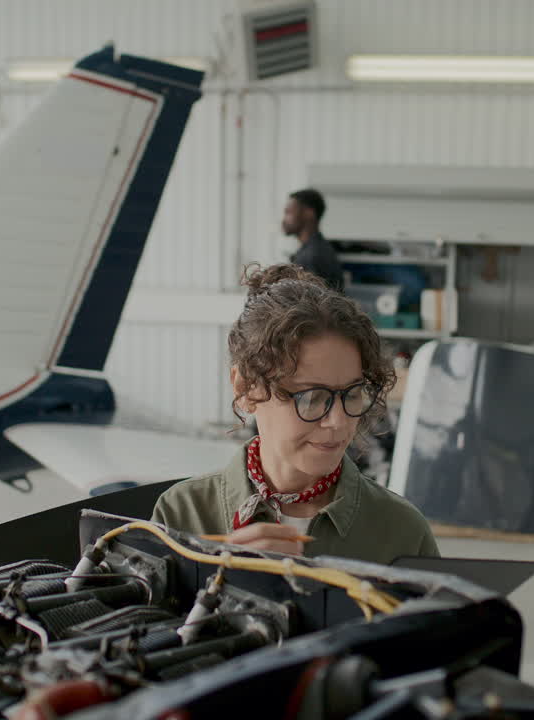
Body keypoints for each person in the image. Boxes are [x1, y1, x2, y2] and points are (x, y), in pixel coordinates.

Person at [151, 263, 438, 565]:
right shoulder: (183, 515)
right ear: (246, 388)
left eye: (352, 394)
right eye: (312, 398)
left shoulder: (403, 532)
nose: (338, 421)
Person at [283, 188, 344, 292]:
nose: (284, 220)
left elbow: (306, 304)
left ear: (309, 213)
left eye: (289, 212)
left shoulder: (311, 256)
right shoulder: (317, 249)